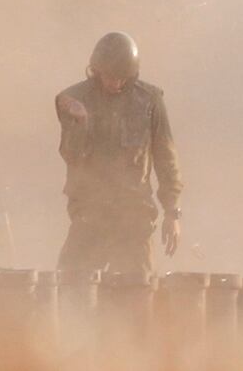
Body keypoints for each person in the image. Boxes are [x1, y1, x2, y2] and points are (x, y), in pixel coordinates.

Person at [55, 31, 179, 279]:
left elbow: (166, 159)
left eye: (122, 77)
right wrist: (80, 121)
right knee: (71, 286)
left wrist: (172, 212)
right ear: (97, 70)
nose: (115, 83)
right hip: (90, 214)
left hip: (134, 216)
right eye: (110, 76)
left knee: (138, 293)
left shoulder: (149, 102)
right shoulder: (75, 100)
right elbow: (71, 155)